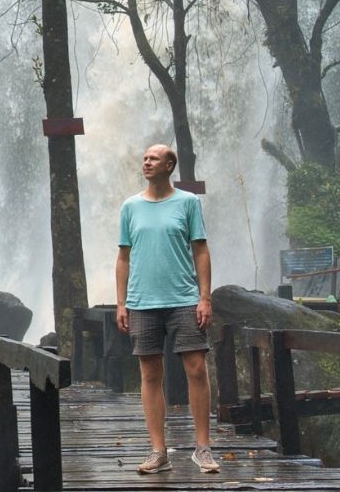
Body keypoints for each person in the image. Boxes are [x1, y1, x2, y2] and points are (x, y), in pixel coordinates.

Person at [115, 143, 221, 474]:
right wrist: (121, 302)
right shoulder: (130, 206)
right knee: (150, 373)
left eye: (153, 158)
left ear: (169, 166)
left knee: (196, 369)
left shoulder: (188, 203)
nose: (146, 162)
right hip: (142, 302)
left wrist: (205, 297)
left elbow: (201, 251)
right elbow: (123, 257)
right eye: (144, 157)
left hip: (183, 299)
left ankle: (202, 448)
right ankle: (158, 451)